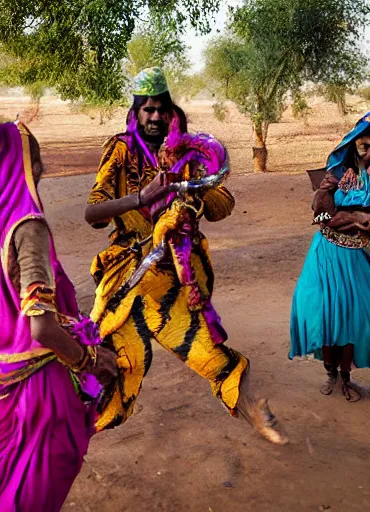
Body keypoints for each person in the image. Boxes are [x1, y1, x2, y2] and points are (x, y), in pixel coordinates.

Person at [85, 67, 287, 445]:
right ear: (136, 112)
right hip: (127, 280)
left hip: (176, 281)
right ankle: (58, 435)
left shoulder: (188, 151)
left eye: (161, 108)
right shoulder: (120, 149)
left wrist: (194, 190)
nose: (156, 116)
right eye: (147, 109)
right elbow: (93, 212)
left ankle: (255, 412)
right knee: (109, 363)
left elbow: (223, 204)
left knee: (209, 356)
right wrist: (141, 198)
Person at [0, 122, 116, 511]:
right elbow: (42, 326)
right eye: (37, 158)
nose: (43, 167)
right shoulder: (28, 226)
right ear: (27, 163)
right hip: (39, 394)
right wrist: (90, 362)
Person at [290, 107, 370, 402]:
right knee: (320, 312)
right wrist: (355, 216)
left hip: (356, 256)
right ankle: (331, 373)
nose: (364, 149)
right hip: (324, 252)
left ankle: (347, 377)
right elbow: (320, 213)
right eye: (360, 143)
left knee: (357, 317)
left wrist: (346, 215)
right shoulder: (337, 170)